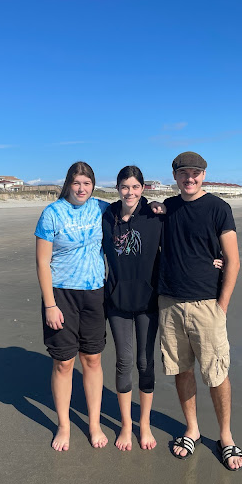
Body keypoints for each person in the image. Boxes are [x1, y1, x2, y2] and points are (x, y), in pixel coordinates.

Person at [158, 151, 242, 470]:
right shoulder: (165, 208)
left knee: (217, 373)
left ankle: (225, 436)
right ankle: (192, 429)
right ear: (175, 176)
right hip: (169, 303)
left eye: (195, 173)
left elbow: (233, 260)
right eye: (183, 173)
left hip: (207, 304)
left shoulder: (219, 208)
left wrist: (221, 306)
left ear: (203, 175)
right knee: (182, 369)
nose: (189, 178)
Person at [35, 161, 109, 452]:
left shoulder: (101, 208)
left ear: (93, 185)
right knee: (64, 362)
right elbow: (42, 262)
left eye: (87, 184)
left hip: (94, 293)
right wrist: (50, 305)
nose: (82, 189)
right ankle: (64, 425)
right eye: (77, 183)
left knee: (92, 360)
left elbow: (132, 207)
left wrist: (156, 205)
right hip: (61, 295)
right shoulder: (52, 213)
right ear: (68, 184)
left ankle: (93, 424)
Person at [102, 166, 163, 451]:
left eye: (135, 187)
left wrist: (215, 259)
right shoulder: (107, 216)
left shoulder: (155, 216)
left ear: (143, 188)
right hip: (117, 302)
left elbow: (186, 238)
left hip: (148, 302)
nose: (130, 192)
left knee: (145, 362)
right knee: (124, 361)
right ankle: (127, 425)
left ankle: (146, 425)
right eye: (125, 187)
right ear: (118, 188)